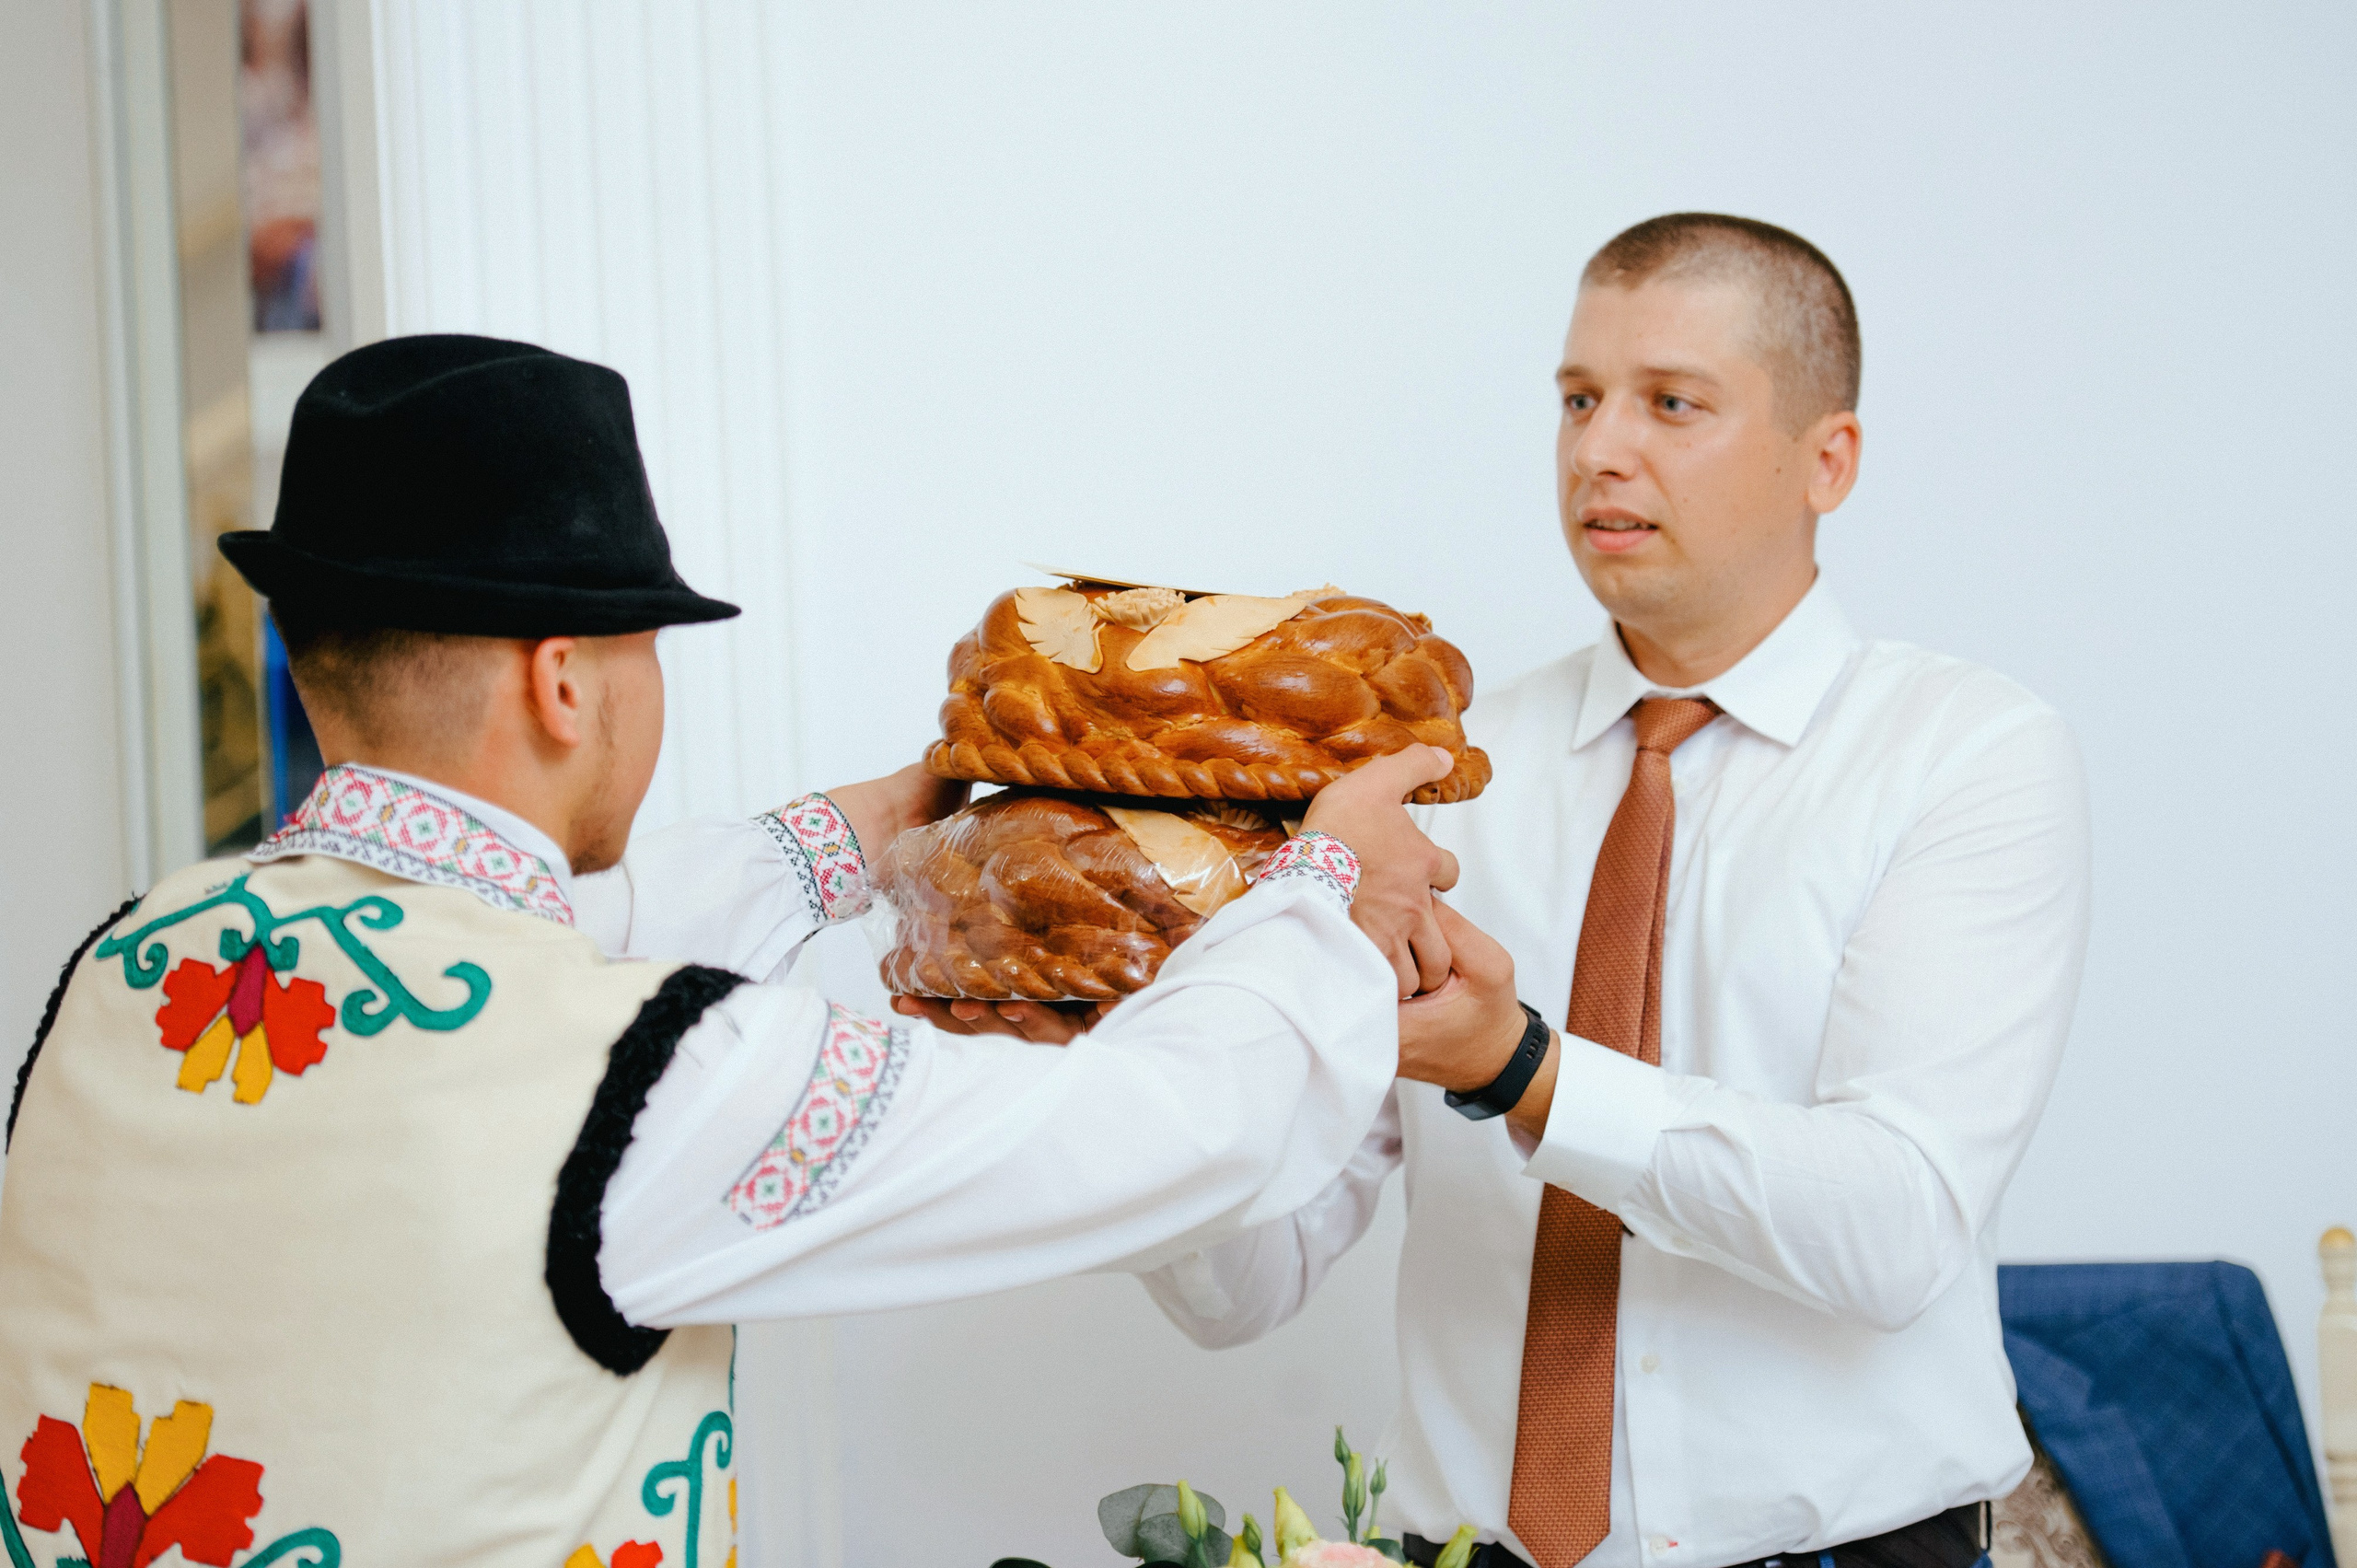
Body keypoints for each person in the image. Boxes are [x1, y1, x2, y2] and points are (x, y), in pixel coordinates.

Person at [0, 333, 1464, 1568]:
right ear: (567, 681)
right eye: (649, 645)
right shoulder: (649, 1083)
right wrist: (1324, 889)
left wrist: (871, 829)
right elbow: (1167, 1133)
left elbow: (526, 947)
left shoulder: (128, 971)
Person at [1139, 215, 2093, 1568]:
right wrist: (1141, 1037)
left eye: (1671, 403)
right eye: (1579, 399)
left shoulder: (1968, 756)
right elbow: (1248, 1285)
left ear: (1830, 459)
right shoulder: (1433, 773)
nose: (1599, 449)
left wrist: (1521, 1069)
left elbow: (1896, 1227)